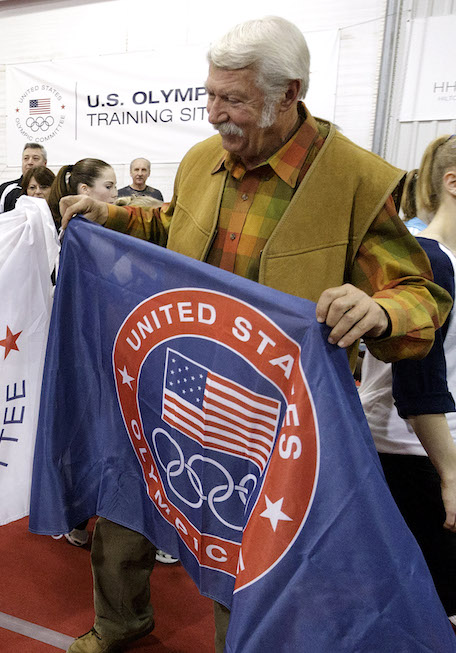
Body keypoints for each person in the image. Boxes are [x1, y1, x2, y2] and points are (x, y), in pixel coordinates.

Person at [57, 16, 452, 653]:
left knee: (248, 553)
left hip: (268, 416)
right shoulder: (198, 160)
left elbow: (422, 294)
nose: (214, 113)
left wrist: (380, 312)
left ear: (290, 92)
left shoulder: (355, 179)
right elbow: (169, 224)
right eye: (210, 94)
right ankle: (120, 623)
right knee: (124, 508)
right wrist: (112, 215)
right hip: (171, 378)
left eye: (233, 99)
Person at [359, 134, 456, 630]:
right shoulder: (427, 259)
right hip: (411, 455)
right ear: (452, 182)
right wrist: (451, 473)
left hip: (429, 454)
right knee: (423, 609)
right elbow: (419, 385)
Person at [46, 158, 117, 229]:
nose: (115, 194)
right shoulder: (72, 228)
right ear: (85, 189)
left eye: (115, 187)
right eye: (108, 187)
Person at [0, 143, 47, 218]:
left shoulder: (53, 188)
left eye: (35, 158)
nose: (30, 162)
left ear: (44, 163)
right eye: (26, 158)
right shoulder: (6, 189)